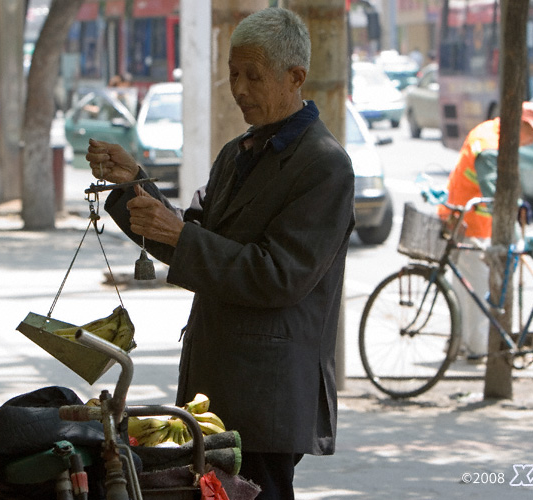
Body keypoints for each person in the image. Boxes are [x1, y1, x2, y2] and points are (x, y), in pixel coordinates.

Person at [86, 7, 354, 499]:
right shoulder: (238, 152)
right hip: (214, 381)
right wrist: (133, 186)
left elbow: (278, 275)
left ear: (296, 78)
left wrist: (180, 236)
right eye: (233, 74)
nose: (240, 89)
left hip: (266, 394)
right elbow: (190, 237)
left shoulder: (324, 166)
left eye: (254, 76)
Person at [438, 101, 533, 359]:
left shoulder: (490, 134)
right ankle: (479, 349)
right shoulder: (490, 145)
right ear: (521, 125)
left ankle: (463, 344)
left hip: (467, 223)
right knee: (479, 292)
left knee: (466, 291)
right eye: (532, 134)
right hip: (471, 226)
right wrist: (513, 230)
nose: (532, 141)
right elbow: (495, 193)